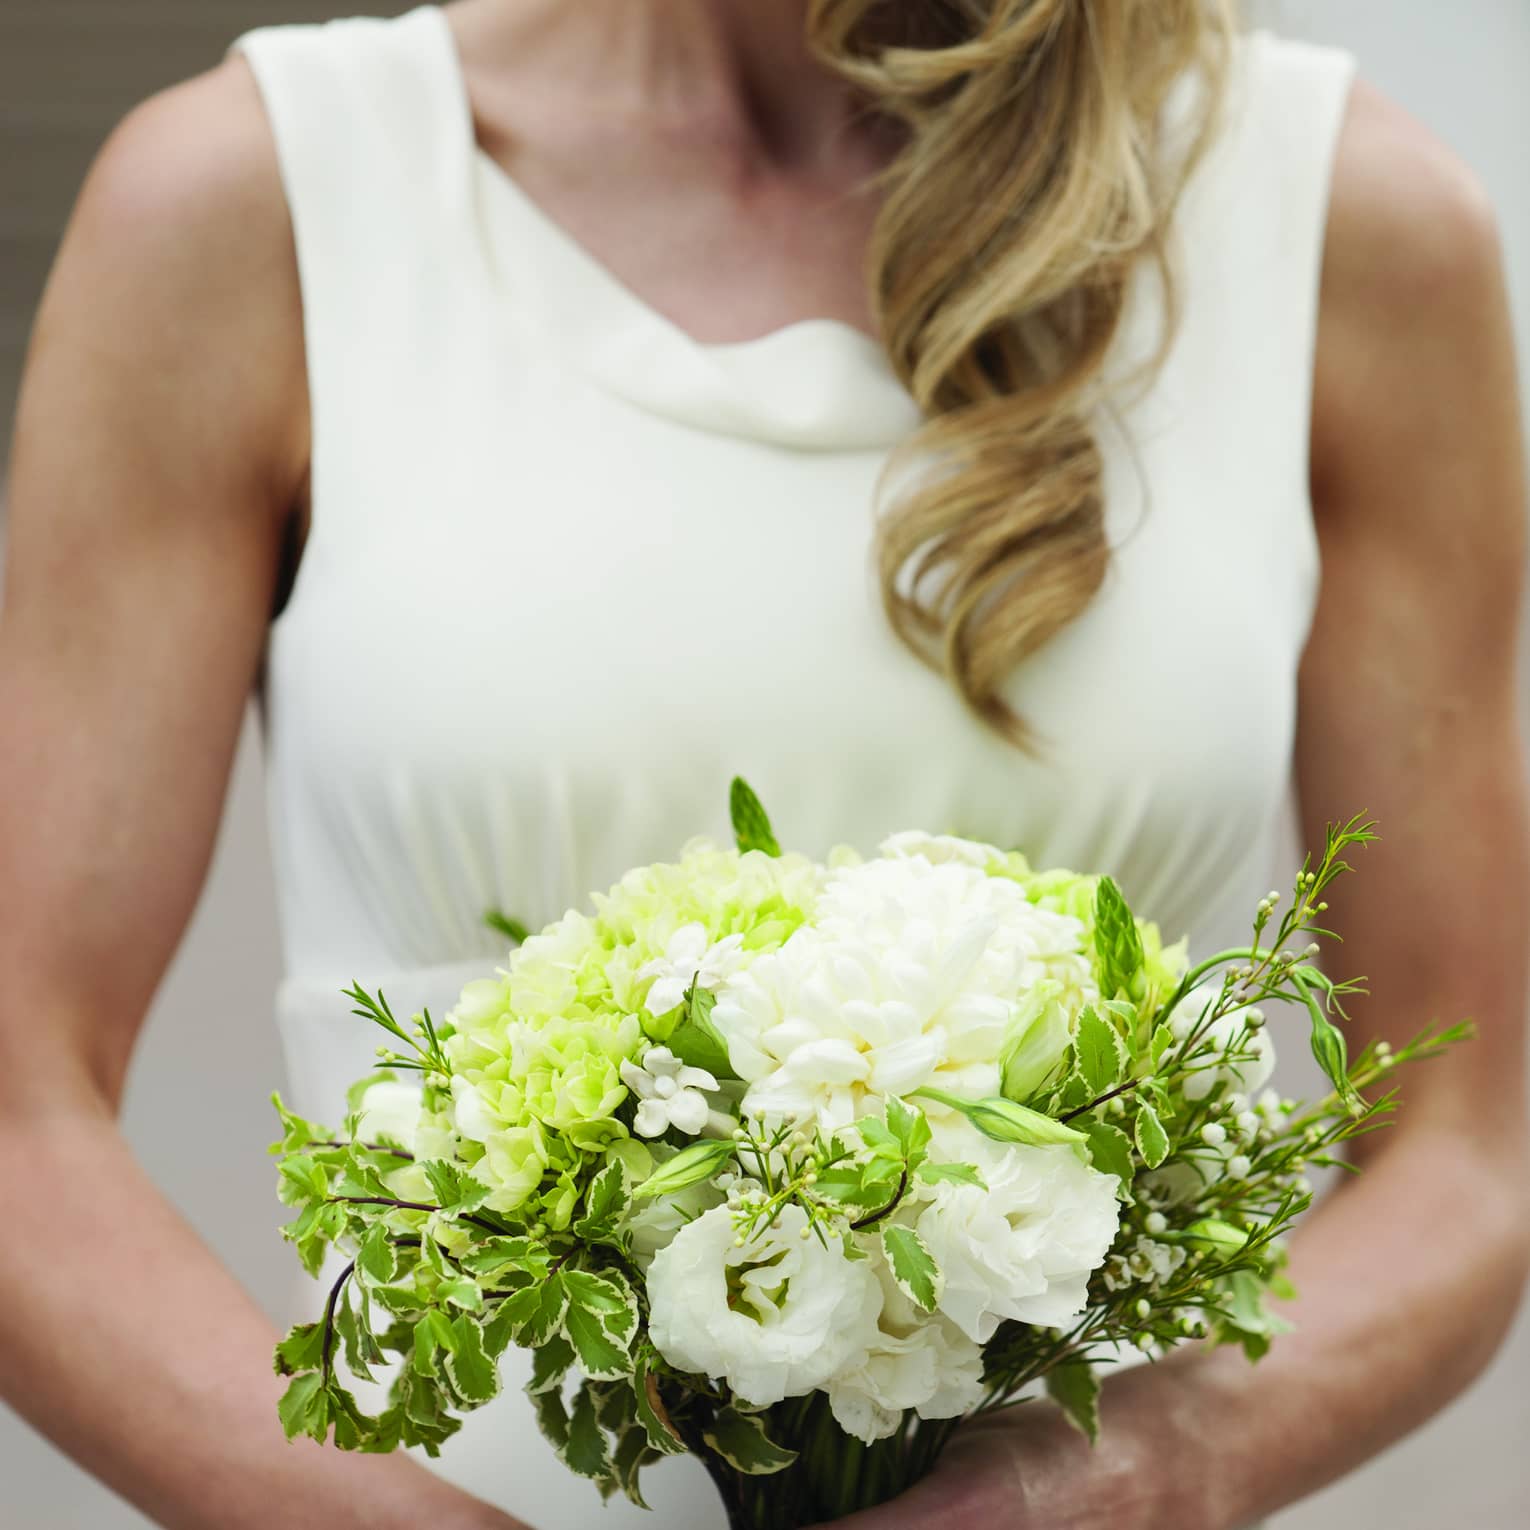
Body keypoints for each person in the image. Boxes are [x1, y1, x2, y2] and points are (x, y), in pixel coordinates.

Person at [2, 1, 1527, 1527]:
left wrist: (1145, 1470)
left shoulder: (1334, 219)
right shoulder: (264, 195)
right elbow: (21, 1107)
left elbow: (1474, 1138)